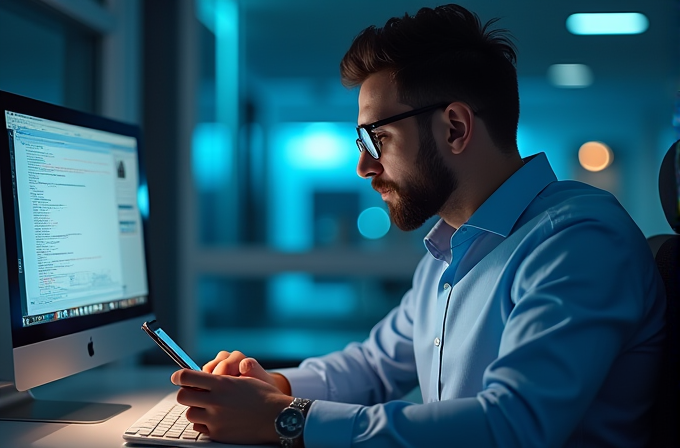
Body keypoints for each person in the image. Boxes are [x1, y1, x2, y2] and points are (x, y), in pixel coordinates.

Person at [171, 4, 666, 447]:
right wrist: (271, 387)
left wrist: (287, 421)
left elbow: (514, 427)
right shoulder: (452, 246)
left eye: (376, 139)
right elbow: (374, 364)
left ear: (454, 127)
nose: (364, 168)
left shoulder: (576, 241)